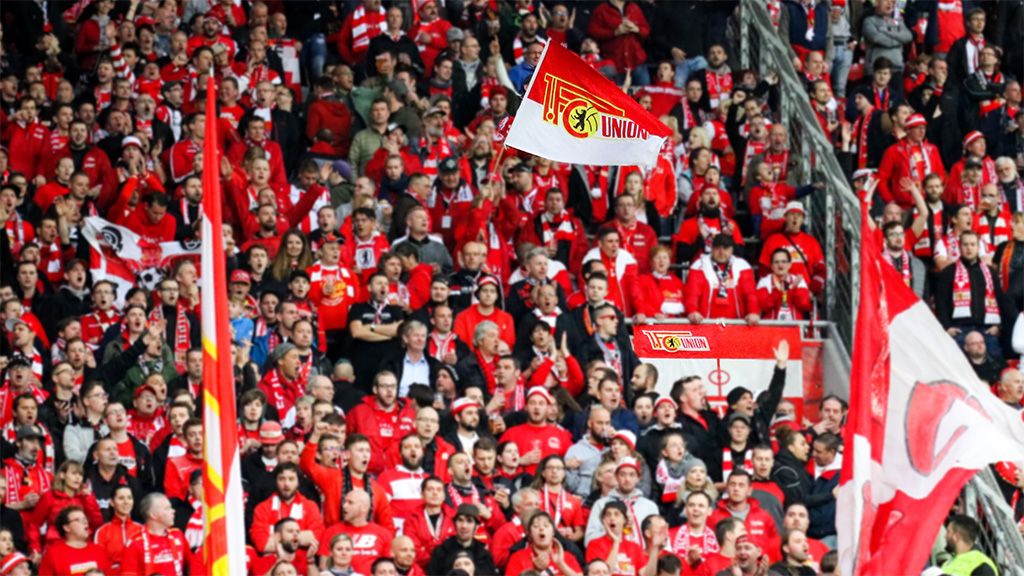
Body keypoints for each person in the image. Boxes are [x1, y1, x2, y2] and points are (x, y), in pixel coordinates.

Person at [121, 493, 190, 576]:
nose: (173, 511)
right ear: (153, 515)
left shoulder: (178, 535)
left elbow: (193, 565)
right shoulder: (134, 543)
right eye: (167, 508)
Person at [36, 505, 110, 576]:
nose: (85, 522)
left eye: (85, 519)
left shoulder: (98, 550)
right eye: (78, 520)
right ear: (67, 527)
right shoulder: (52, 554)